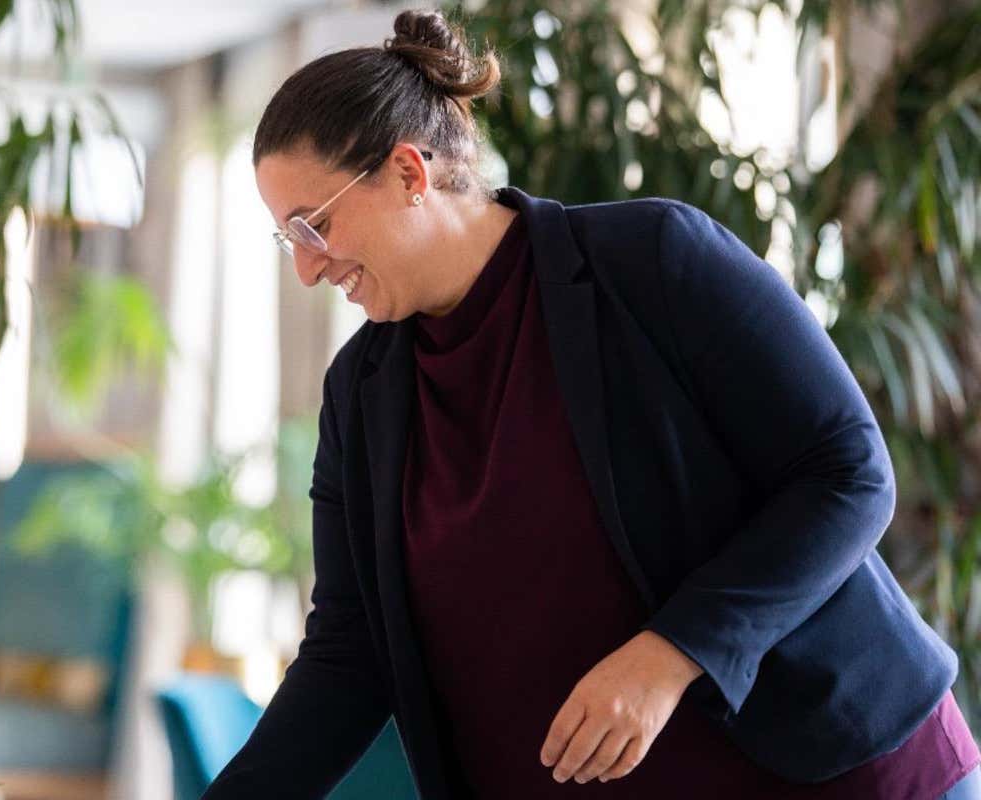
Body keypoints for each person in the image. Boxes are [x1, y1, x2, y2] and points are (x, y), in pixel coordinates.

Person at [204, 8, 981, 799]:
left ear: (410, 173)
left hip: (840, 771)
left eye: (314, 224)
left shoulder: (655, 260)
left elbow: (848, 473)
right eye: (287, 238)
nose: (306, 267)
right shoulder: (358, 396)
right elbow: (350, 648)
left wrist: (671, 651)